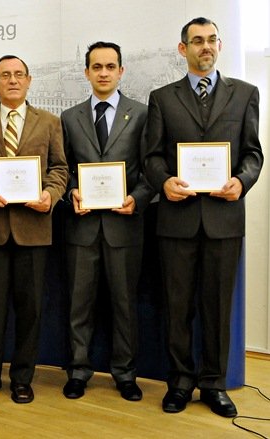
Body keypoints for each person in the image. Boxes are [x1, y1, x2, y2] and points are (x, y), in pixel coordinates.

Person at [144, 17, 263, 417]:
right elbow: (152, 157)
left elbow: (253, 154)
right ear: (183, 49)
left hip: (224, 217)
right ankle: (179, 382)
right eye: (197, 41)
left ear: (219, 45)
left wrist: (241, 182)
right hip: (176, 219)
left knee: (217, 307)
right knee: (177, 307)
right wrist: (163, 183)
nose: (205, 47)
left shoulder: (246, 94)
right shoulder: (161, 97)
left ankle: (213, 384)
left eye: (211, 40)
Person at [0, 55, 68, 404]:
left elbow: (60, 169)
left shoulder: (49, 122)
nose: (12, 80)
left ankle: (22, 378)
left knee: (30, 309)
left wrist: (50, 196)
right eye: (5, 75)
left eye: (19, 74)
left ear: (29, 80)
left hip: (33, 229)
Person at [60, 42, 154, 401]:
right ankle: (79, 371)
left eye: (110, 66)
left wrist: (139, 199)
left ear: (121, 71)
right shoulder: (70, 117)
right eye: (96, 67)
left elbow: (151, 169)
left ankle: (125, 374)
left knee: (124, 305)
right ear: (86, 73)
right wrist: (71, 193)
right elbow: (63, 169)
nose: (103, 72)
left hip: (125, 226)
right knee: (78, 305)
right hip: (81, 228)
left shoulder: (142, 114)